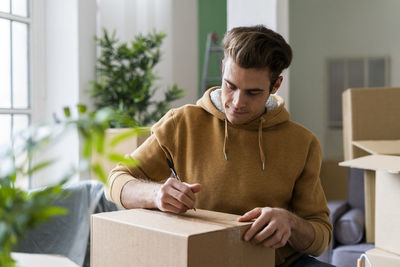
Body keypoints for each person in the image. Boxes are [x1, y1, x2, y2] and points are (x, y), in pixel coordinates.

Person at [105, 25, 333, 267]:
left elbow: (320, 237)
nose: (237, 102)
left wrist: (291, 223)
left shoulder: (303, 143)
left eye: (253, 93)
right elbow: (116, 180)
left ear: (275, 86)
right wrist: (155, 194)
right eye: (230, 86)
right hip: (202, 258)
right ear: (223, 68)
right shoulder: (182, 123)